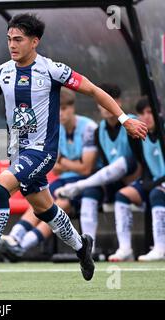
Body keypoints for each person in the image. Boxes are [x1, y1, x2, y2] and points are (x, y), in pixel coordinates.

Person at [0, 13, 147, 281]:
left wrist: (125, 119)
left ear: (35, 41)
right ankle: (81, 247)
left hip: (42, 151)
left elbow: (93, 90)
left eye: (18, 39)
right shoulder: (1, 72)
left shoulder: (52, 70)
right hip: (18, 154)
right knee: (45, 209)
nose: (12, 45)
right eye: (9, 39)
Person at [0, 87, 98, 261]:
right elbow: (55, 166)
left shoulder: (88, 127)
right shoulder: (53, 128)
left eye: (64, 108)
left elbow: (86, 169)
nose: (60, 113)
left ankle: (23, 246)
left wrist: (63, 162)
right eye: (57, 108)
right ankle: (15, 237)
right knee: (38, 199)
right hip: (65, 179)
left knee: (58, 202)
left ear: (72, 107)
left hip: (88, 184)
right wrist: (67, 163)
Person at [56, 84, 142, 250]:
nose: (107, 107)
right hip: (114, 181)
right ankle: (89, 249)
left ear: (119, 103)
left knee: (125, 162)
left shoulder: (133, 123)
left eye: (111, 101)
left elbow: (140, 159)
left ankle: (125, 249)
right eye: (103, 102)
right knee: (90, 193)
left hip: (136, 179)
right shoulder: (99, 130)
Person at [108, 97, 165, 261]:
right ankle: (125, 249)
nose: (146, 117)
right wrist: (146, 182)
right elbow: (143, 163)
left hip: (158, 185)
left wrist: (153, 184)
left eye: (150, 112)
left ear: (158, 112)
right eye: (141, 113)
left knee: (156, 193)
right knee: (122, 195)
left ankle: (160, 249)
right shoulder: (139, 135)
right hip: (153, 182)